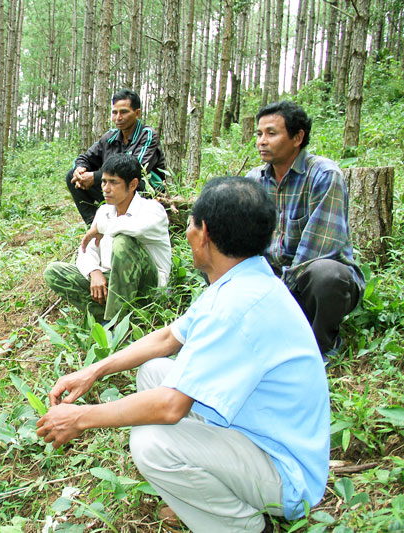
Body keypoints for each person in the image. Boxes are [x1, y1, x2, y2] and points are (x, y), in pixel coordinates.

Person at [37, 177, 330, 532]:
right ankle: (203, 497)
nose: (187, 231)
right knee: (154, 372)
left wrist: (80, 417)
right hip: (255, 430)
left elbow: (170, 407)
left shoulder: (235, 307)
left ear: (204, 233)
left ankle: (247, 527)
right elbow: (166, 338)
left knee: (151, 442)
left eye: (190, 223)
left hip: (285, 472)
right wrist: (94, 371)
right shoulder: (243, 278)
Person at [247, 101, 364, 355]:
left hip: (309, 278)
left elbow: (318, 250)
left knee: (326, 274)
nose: (262, 141)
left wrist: (274, 293)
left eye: (271, 133)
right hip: (272, 278)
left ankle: (321, 344)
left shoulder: (324, 175)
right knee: (218, 256)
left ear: (297, 137)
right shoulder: (254, 180)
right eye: (259, 134)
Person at [45, 154, 171, 323]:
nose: (105, 188)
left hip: (147, 287)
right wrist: (94, 272)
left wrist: (100, 227)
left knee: (123, 241)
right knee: (54, 272)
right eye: (104, 181)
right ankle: (125, 316)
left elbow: (135, 227)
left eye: (113, 182)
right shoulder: (104, 211)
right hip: (110, 281)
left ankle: (115, 323)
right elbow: (86, 251)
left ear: (133, 184)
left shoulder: (152, 209)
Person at [67, 89, 166, 225]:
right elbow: (85, 157)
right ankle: (95, 224)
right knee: (71, 176)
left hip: (144, 191)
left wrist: (95, 177)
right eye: (115, 112)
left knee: (130, 180)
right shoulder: (110, 136)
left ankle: (121, 223)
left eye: (124, 112)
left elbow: (133, 169)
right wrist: (80, 169)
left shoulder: (147, 135)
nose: (118, 117)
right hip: (116, 187)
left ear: (137, 113)